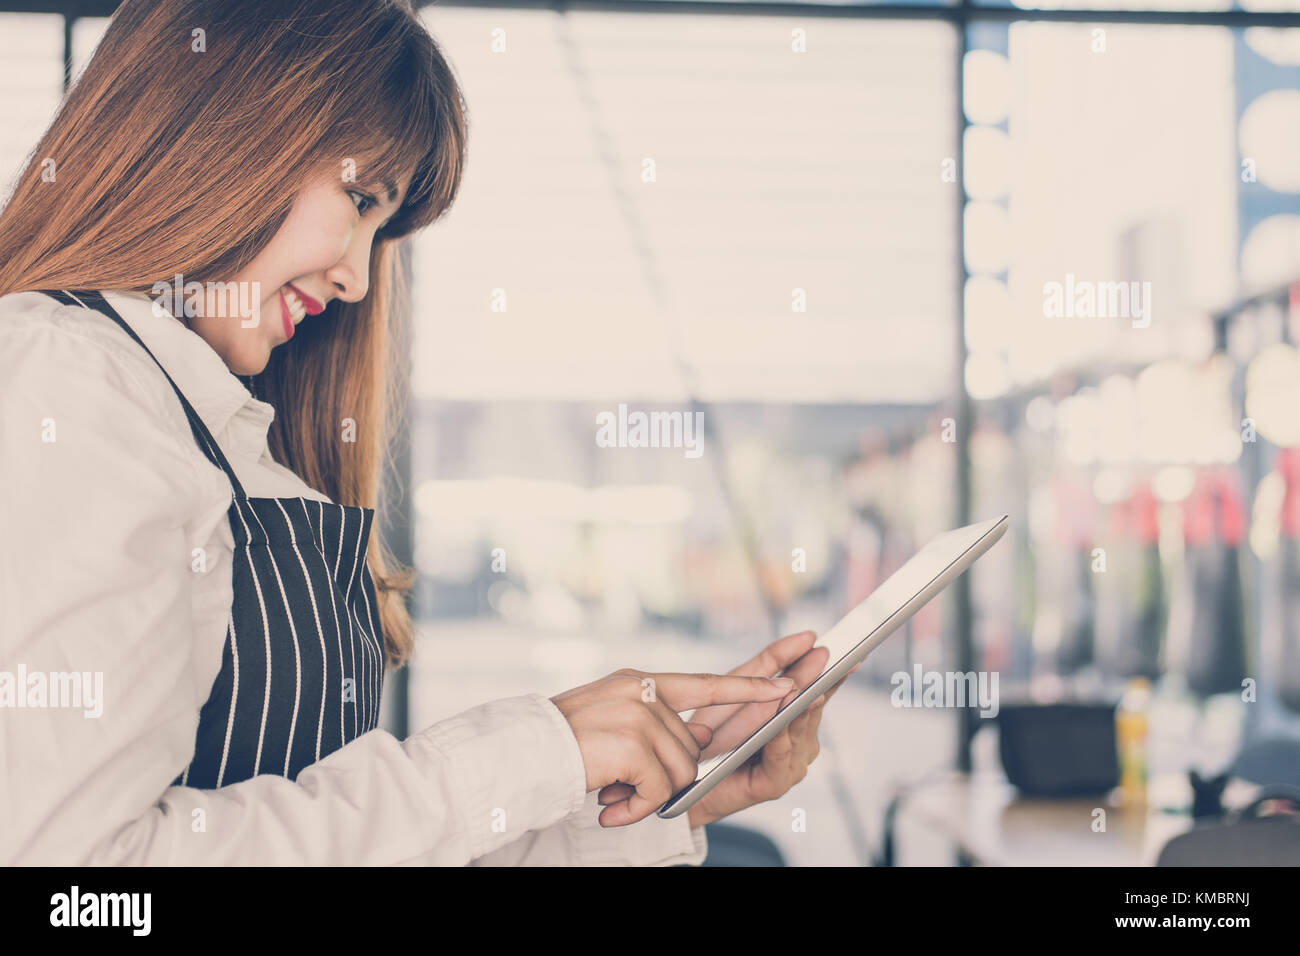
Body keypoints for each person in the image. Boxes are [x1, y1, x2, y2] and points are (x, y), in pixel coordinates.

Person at [0, 0, 850, 866]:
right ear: (219, 134)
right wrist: (526, 750)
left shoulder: (213, 428)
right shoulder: (65, 378)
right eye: (361, 199)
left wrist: (665, 796)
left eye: (383, 228)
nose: (359, 279)